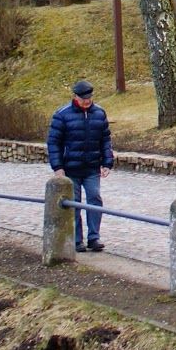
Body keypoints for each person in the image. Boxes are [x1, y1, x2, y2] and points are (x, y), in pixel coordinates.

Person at [46, 79, 113, 253]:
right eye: (84, 98)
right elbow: (54, 143)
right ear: (75, 97)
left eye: (89, 97)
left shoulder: (99, 113)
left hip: (92, 167)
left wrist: (107, 162)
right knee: (74, 203)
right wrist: (58, 167)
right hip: (70, 168)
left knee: (95, 198)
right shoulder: (62, 115)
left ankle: (94, 237)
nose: (87, 101)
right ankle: (76, 240)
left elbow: (105, 139)